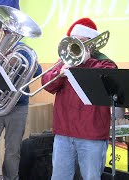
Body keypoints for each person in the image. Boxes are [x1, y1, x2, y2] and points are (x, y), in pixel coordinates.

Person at [41, 18, 117, 180]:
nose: (77, 45)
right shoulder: (64, 62)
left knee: (91, 178)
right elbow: (47, 83)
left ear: (92, 44)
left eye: (82, 42)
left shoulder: (105, 63)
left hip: (91, 134)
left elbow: (109, 84)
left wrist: (87, 61)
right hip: (63, 133)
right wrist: (60, 73)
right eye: (74, 41)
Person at [0, 18, 42, 180]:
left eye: (7, 32)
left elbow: (37, 71)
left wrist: (16, 60)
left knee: (13, 149)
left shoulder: (24, 50)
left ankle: (11, 178)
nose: (3, 34)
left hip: (17, 106)